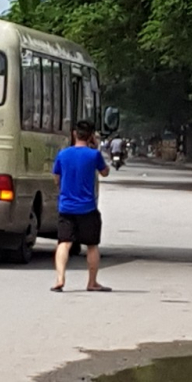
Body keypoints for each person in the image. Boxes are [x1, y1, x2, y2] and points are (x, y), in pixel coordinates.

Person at [51, 120, 111, 293]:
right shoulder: (94, 155)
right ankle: (92, 282)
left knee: (64, 243)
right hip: (87, 208)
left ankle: (60, 278)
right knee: (92, 245)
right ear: (91, 136)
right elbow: (105, 173)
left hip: (66, 207)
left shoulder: (63, 155)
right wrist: (96, 147)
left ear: (74, 134)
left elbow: (56, 178)